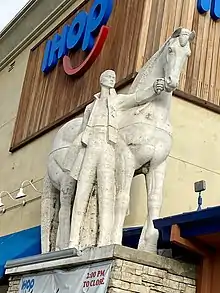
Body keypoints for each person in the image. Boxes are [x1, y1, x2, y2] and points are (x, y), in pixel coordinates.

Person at [68, 69, 165, 249]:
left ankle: (105, 240)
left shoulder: (118, 100)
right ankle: (73, 241)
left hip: (107, 148)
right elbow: (82, 132)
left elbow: (136, 98)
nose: (113, 78)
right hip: (91, 147)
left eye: (114, 76)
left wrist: (153, 88)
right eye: (109, 76)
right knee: (82, 192)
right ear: (101, 79)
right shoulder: (91, 107)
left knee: (107, 195)